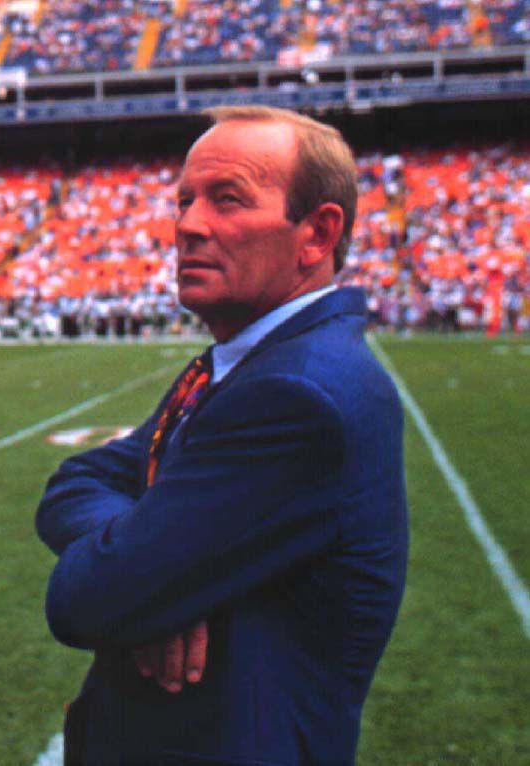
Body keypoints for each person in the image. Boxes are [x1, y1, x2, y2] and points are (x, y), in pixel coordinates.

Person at [36, 105, 408, 765]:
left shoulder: (293, 393)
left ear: (317, 234)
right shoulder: (248, 360)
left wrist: (136, 584)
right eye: (182, 202)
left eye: (227, 200)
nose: (187, 225)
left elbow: (83, 600)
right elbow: (76, 480)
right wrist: (152, 582)